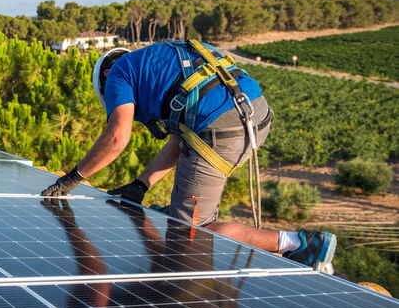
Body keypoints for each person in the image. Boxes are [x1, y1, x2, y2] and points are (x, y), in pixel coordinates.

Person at [41, 40, 336, 272]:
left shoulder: (119, 72)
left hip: (223, 128)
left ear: (106, 74)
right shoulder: (161, 61)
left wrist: (71, 178)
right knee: (180, 215)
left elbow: (117, 138)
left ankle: (299, 244)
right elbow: (183, 138)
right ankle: (178, 229)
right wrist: (141, 184)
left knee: (191, 232)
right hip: (255, 115)